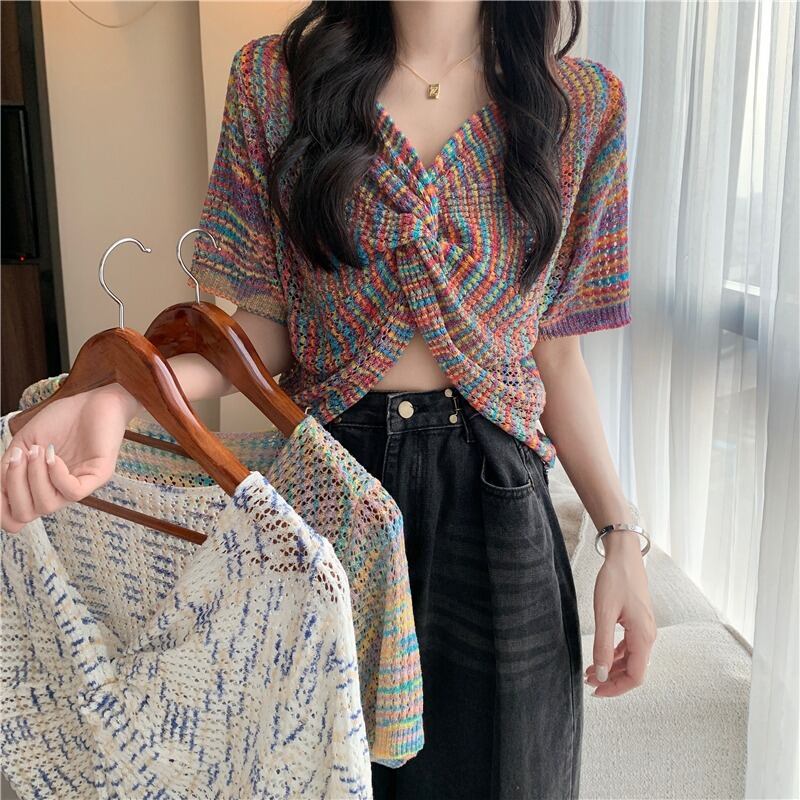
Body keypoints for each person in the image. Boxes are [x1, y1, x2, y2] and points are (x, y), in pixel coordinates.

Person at [1, 2, 657, 799]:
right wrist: (125, 399)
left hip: (497, 508)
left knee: (508, 775)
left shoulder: (579, 106)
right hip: (328, 493)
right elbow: (262, 333)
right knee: (308, 773)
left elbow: (556, 355)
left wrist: (621, 537)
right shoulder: (275, 84)